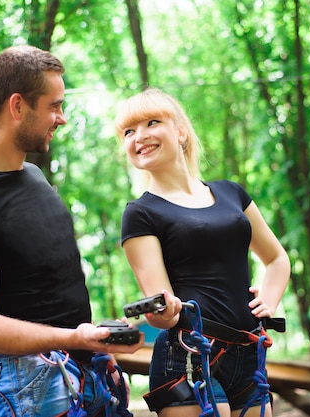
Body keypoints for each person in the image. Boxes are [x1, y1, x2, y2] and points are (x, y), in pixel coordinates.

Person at [0, 45, 143, 417]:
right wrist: (72, 337)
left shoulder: (34, 176)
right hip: (22, 388)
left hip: (81, 371)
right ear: (17, 106)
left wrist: (90, 340)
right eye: (54, 105)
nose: (61, 118)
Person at [114, 88, 291, 417]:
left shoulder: (231, 193)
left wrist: (269, 300)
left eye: (152, 122)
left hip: (248, 352)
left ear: (180, 131)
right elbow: (161, 306)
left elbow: (277, 259)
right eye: (128, 131)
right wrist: (161, 313)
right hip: (187, 355)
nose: (140, 136)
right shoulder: (140, 213)